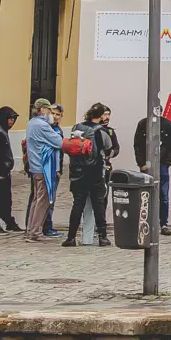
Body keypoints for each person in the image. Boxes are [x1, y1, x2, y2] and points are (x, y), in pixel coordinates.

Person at [64, 103, 112, 247]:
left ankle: (71, 237)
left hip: (77, 172)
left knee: (77, 204)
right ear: (100, 116)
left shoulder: (76, 127)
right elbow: (108, 147)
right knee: (98, 205)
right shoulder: (101, 132)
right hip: (95, 173)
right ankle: (102, 237)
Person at [131, 110, 171, 238]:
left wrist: (167, 162)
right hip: (147, 164)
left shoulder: (167, 124)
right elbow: (138, 145)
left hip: (162, 165)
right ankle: (146, 222)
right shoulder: (143, 124)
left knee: (163, 195)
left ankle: (163, 223)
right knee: (146, 194)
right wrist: (141, 164)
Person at [24, 100, 60, 240]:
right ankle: (35, 232)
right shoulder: (42, 125)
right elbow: (57, 141)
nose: (51, 114)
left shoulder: (31, 123)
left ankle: (31, 229)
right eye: (50, 111)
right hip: (43, 166)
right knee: (43, 200)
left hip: (35, 166)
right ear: (43, 110)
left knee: (36, 199)